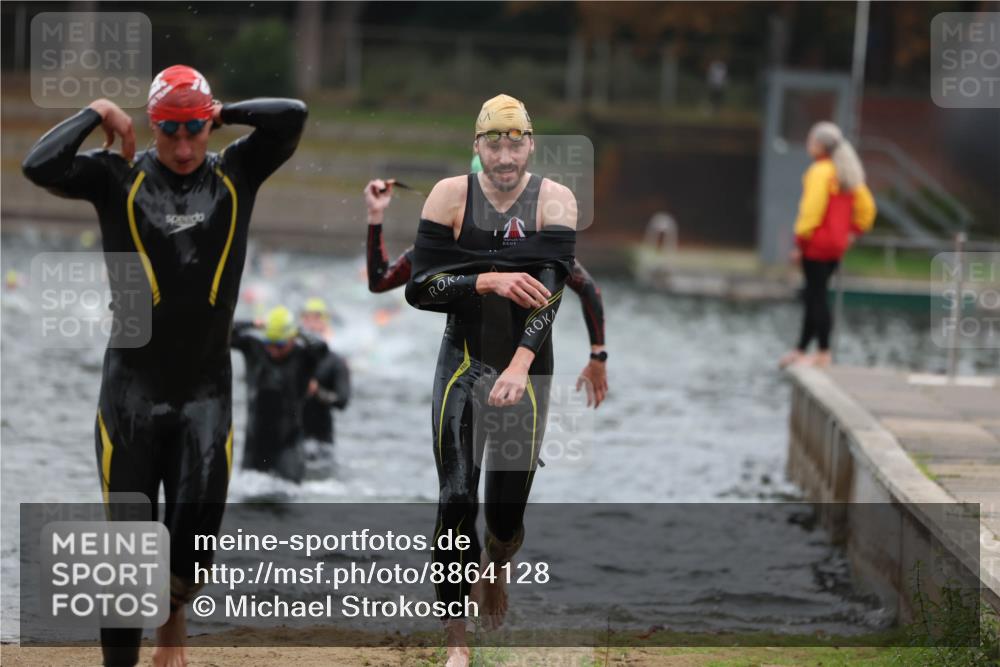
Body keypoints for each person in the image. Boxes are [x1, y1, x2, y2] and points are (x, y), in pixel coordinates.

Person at [21, 64, 307, 667]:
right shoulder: (113, 177)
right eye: (170, 131)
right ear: (152, 127)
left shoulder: (237, 173)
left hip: (206, 395)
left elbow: (292, 116)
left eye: (194, 131)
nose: (183, 146)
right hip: (129, 394)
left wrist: (221, 112)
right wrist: (98, 110)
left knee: (191, 558)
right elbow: (38, 166)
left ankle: (169, 633)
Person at [404, 94, 577, 667]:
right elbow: (420, 288)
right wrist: (488, 282)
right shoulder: (450, 197)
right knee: (455, 498)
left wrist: (521, 365)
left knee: (504, 516)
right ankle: (456, 643)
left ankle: (497, 564)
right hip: (462, 361)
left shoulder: (556, 200)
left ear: (531, 144)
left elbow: (551, 288)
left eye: (515, 142)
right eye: (493, 143)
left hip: (527, 367)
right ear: (476, 146)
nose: (505, 155)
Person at [364, 176, 608, 408]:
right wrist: (375, 215)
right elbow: (380, 282)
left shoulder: (537, 250)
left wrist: (598, 356)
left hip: (523, 366)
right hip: (466, 362)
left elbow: (587, 288)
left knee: (517, 451)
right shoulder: (445, 248)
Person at [780, 121, 876, 369]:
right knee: (816, 295)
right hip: (836, 245)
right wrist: (852, 232)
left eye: (811, 141)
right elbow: (867, 209)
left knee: (816, 297)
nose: (809, 146)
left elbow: (811, 210)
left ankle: (822, 352)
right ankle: (802, 350)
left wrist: (799, 242)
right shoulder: (848, 173)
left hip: (816, 245)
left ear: (821, 146)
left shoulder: (820, 171)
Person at [231, 306, 330, 483]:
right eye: (269, 343)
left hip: (288, 446)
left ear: (292, 339)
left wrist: (298, 330)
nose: (273, 350)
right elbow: (224, 332)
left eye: (280, 345)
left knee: (289, 497)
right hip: (255, 445)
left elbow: (322, 347)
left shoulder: (303, 357)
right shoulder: (255, 349)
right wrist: (253, 323)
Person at [298, 297, 351, 446]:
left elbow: (343, 401)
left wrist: (317, 391)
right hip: (293, 438)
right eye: (307, 318)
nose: (311, 323)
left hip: (320, 440)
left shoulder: (335, 361)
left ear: (324, 322)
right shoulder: (291, 354)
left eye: (316, 318)